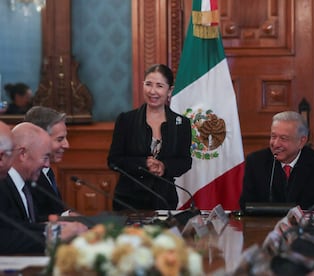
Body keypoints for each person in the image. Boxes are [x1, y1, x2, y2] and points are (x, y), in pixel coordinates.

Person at [107, 64, 192, 211]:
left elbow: (185, 161)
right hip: (128, 201)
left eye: (159, 86)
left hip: (164, 200)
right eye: (148, 84)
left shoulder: (182, 124)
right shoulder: (126, 120)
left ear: (169, 90)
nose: (152, 91)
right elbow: (113, 161)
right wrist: (143, 163)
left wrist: (164, 166)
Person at [0, 122, 86, 254]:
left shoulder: (26, 182)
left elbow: (20, 227)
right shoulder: (4, 185)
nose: (47, 165)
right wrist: (55, 235)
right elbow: (7, 238)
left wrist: (56, 227)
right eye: (45, 157)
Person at [239, 111, 314, 210]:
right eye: (273, 136)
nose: (276, 144)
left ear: (302, 141)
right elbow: (246, 205)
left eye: (283, 138)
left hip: (307, 226)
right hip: (266, 226)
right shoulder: (256, 162)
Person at [24, 106, 70, 221]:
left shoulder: (46, 170)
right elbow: (31, 220)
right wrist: (64, 218)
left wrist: (65, 216)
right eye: (60, 139)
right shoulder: (26, 175)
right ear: (41, 138)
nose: (66, 145)